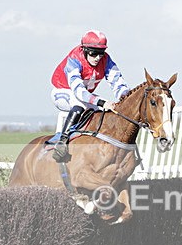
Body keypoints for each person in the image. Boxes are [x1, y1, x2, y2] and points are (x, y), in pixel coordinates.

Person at [50, 30, 131, 162]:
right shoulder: (74, 59)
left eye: (101, 53)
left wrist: (126, 97)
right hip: (62, 92)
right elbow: (79, 92)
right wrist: (102, 102)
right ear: (84, 50)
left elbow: (117, 82)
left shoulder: (106, 60)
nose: (98, 58)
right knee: (82, 103)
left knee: (101, 111)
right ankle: (62, 142)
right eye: (93, 53)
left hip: (83, 94)